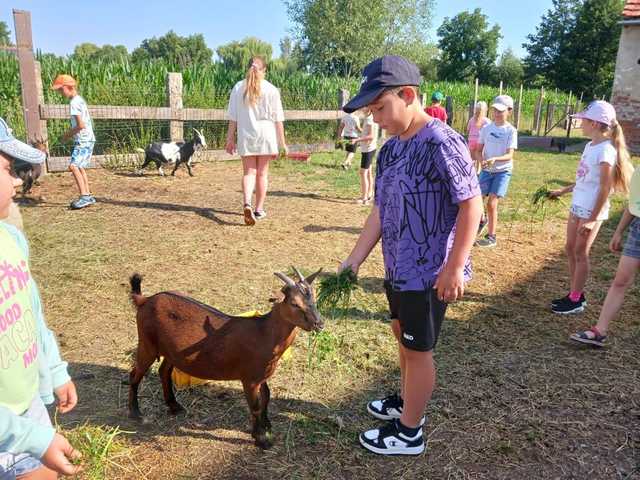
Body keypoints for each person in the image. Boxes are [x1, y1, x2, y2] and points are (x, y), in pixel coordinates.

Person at [339, 56, 482, 456]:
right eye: (371, 111)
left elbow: (473, 206)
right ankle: (408, 400)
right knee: (402, 337)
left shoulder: (442, 141)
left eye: (380, 108)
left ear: (408, 95)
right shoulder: (390, 150)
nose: (376, 118)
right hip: (398, 267)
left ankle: (409, 433)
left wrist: (455, 267)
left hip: (430, 273)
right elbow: (381, 210)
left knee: (418, 351)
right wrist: (354, 260)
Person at [0, 117, 82, 479]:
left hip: (25, 403)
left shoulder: (11, 240)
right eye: (7, 169)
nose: (18, 179)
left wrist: (53, 370)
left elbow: (31, 313)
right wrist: (31, 438)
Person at [549, 101, 634, 314]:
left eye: (584, 120)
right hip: (578, 204)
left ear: (595, 124)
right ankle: (574, 292)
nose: (580, 123)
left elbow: (606, 188)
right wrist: (564, 191)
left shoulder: (606, 150)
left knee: (580, 252)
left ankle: (576, 300)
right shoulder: (590, 146)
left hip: (591, 211)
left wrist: (592, 219)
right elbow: (585, 178)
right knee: (570, 248)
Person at [570, 163, 640, 346]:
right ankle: (599, 331)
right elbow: (634, 203)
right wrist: (619, 231)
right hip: (638, 229)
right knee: (621, 280)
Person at [225, 56, 288, 226]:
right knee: (262, 174)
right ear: (264, 70)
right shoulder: (272, 89)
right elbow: (278, 119)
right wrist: (282, 143)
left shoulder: (238, 87)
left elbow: (233, 117)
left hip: (247, 135)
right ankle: (259, 210)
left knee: (249, 173)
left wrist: (229, 138)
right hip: (267, 136)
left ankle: (247, 204)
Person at [476, 95, 518, 248]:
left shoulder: (511, 131)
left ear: (509, 111)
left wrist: (495, 159)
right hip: (487, 170)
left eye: (501, 111)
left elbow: (510, 155)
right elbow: (478, 150)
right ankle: (481, 220)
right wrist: (481, 160)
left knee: (492, 204)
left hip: (502, 171)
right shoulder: (486, 129)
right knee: (476, 199)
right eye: (495, 110)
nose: (497, 113)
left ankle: (492, 236)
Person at [51, 74, 96, 210]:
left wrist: (66, 135)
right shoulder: (79, 100)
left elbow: (80, 125)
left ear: (68, 87)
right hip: (88, 138)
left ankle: (84, 197)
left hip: (83, 139)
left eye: (60, 89)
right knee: (80, 166)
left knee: (73, 166)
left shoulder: (74, 103)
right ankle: (87, 195)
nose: (59, 92)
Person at [354, 112, 378, 204]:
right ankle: (369, 195)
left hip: (368, 149)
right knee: (368, 172)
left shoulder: (369, 119)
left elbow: (371, 136)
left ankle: (364, 198)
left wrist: (357, 140)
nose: (361, 108)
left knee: (363, 172)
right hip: (369, 148)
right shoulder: (369, 117)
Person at [466, 101, 490, 173]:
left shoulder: (471, 119)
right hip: (480, 141)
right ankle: (478, 171)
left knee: (472, 157)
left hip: (471, 140)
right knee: (479, 155)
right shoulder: (486, 121)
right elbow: (490, 130)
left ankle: (471, 171)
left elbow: (467, 129)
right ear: (485, 110)